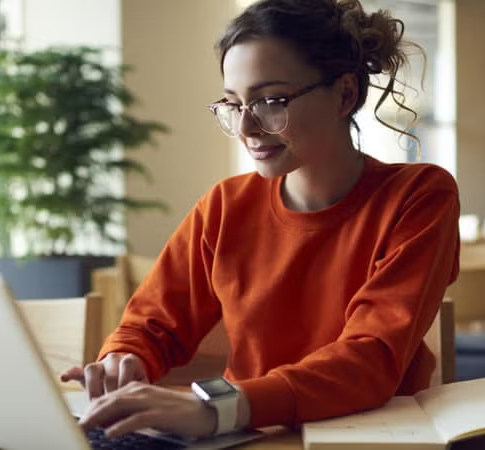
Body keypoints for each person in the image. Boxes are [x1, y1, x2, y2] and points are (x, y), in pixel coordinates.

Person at [61, 0, 460, 439]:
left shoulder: (419, 196)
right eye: (234, 103)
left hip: (372, 439)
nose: (248, 127)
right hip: (248, 436)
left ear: (346, 94)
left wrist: (217, 409)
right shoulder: (224, 206)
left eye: (272, 100)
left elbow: (369, 359)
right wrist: (125, 358)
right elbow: (150, 325)